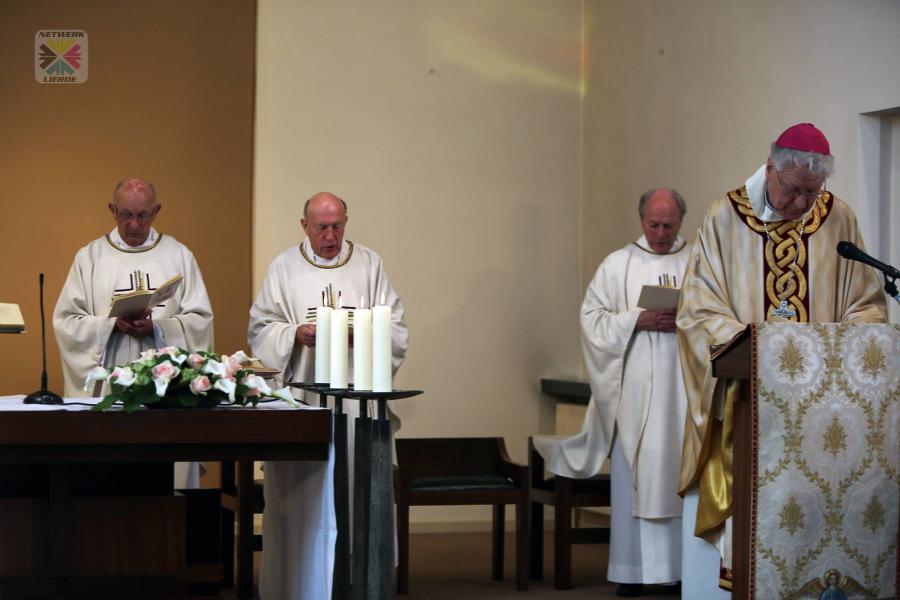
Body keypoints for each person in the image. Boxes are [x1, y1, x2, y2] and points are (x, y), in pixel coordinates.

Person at [676, 123, 887, 598]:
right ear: (770, 168)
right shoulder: (723, 217)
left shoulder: (840, 219)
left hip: (822, 411)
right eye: (792, 190)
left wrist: (839, 351)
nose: (799, 205)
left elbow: (866, 303)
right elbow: (698, 308)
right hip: (749, 403)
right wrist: (759, 352)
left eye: (811, 193)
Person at [248, 191, 408, 600]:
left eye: (337, 226)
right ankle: (299, 584)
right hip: (304, 401)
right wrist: (295, 334)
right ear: (304, 225)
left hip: (356, 404)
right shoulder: (284, 267)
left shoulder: (369, 264)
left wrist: (360, 332)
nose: (331, 236)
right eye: (322, 227)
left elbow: (396, 329)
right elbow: (261, 328)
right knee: (303, 496)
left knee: (356, 492)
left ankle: (359, 583)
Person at [534, 188, 691, 597]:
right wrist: (635, 321)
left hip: (682, 396)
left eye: (668, 225)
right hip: (633, 396)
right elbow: (591, 319)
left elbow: (716, 317)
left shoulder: (698, 263)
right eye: (653, 224)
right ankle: (632, 572)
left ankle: (678, 572)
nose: (660, 232)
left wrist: (685, 320)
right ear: (641, 220)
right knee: (633, 480)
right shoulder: (617, 265)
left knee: (679, 475)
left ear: (681, 222)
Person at [53, 177, 214, 487]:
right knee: (108, 480)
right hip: (110, 385)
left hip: (166, 388)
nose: (135, 225)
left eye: (143, 215)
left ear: (156, 211)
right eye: (126, 215)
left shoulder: (179, 254)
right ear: (112, 210)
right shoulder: (90, 258)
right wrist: (111, 324)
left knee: (164, 480)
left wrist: (157, 326)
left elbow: (200, 319)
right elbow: (67, 321)